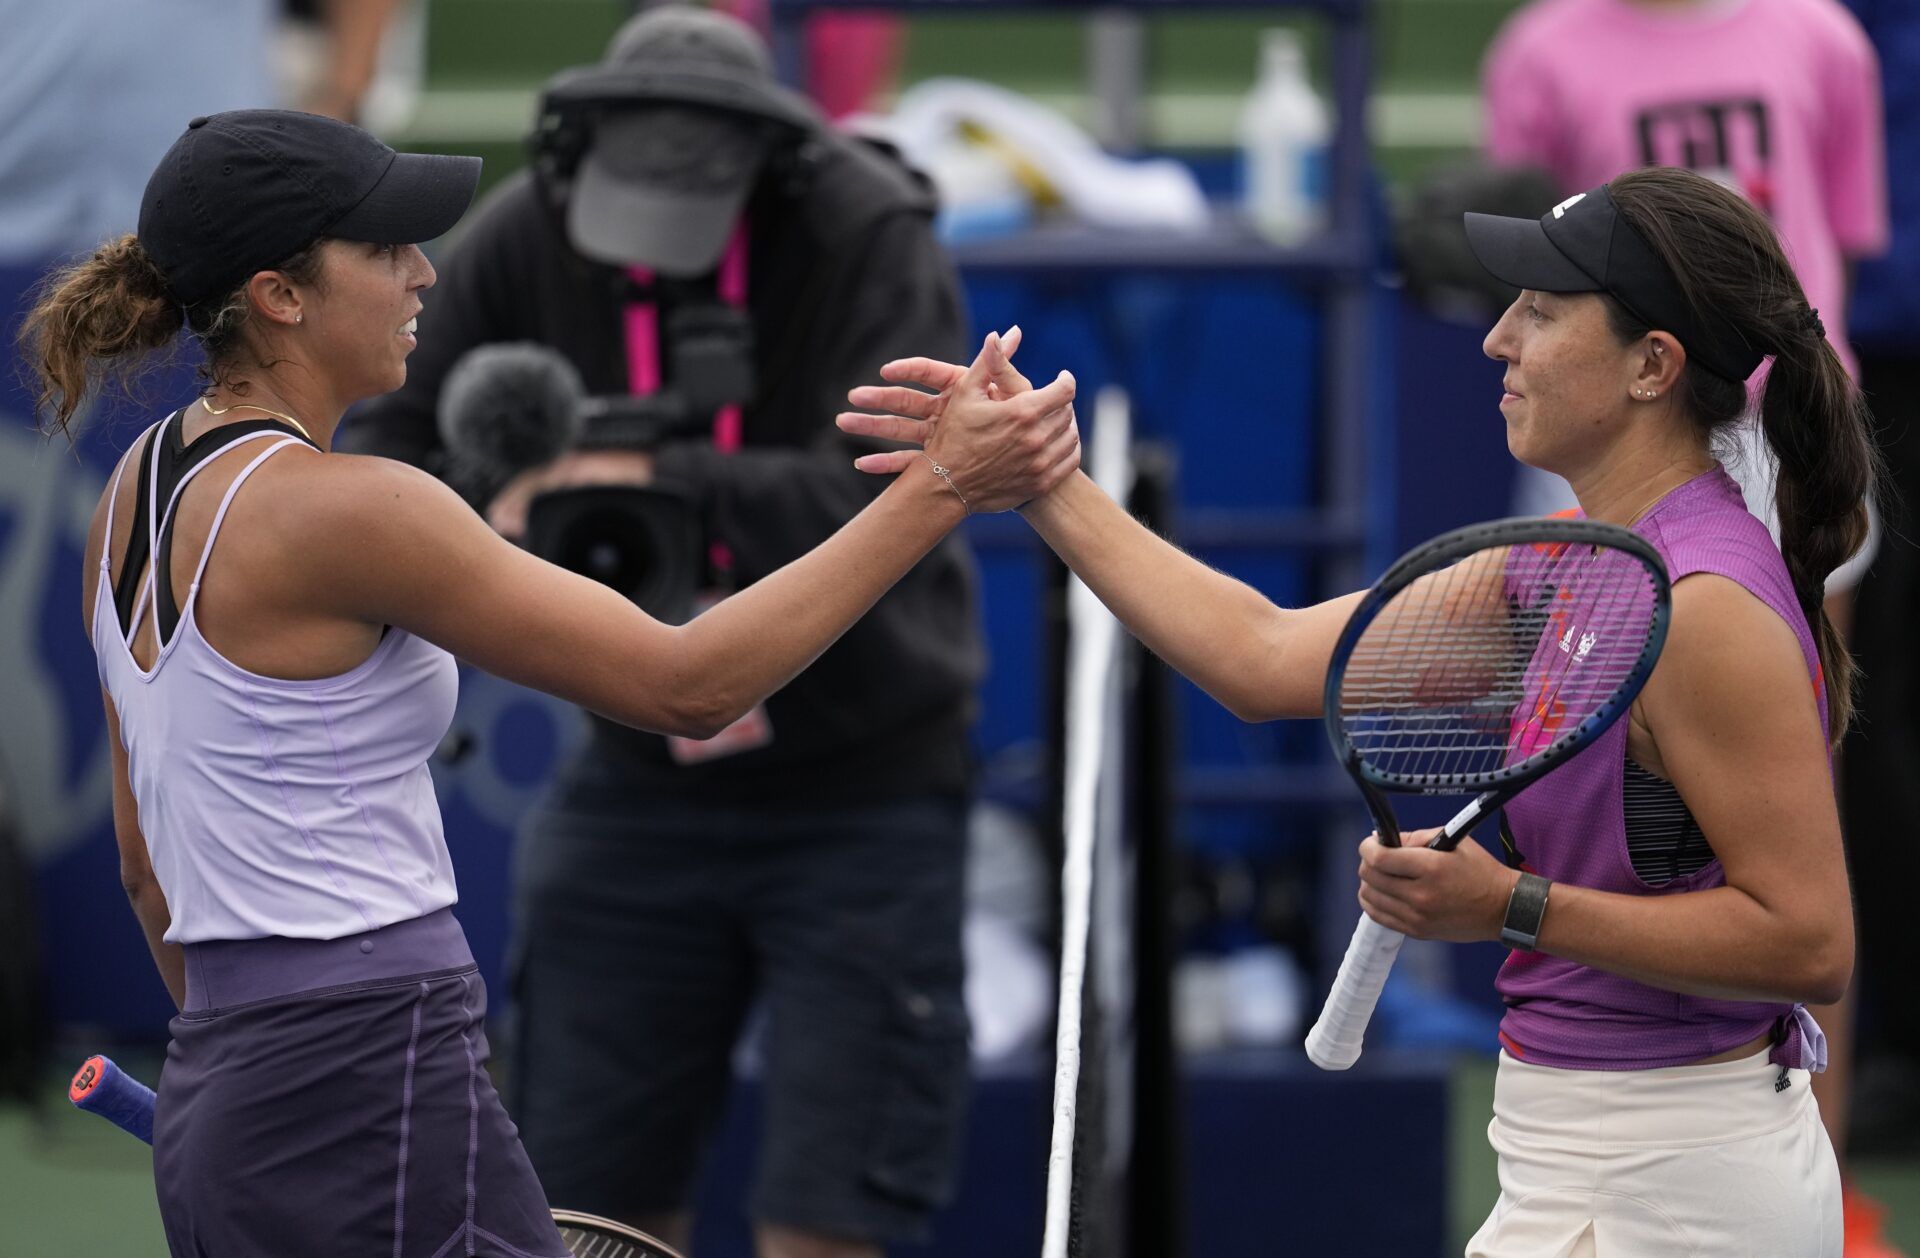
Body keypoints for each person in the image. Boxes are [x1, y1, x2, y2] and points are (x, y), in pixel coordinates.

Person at [20, 108, 1076, 1257]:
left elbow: (144, 865)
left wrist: (258, 1060)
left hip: (224, 1085)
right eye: (383, 250)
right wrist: (942, 483)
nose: (424, 271)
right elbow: (689, 683)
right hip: (375, 1068)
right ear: (279, 294)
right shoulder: (353, 509)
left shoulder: (132, 489)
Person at [847, 166, 1867, 1255]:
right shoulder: (1566, 562)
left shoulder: (1706, 610)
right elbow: (1260, 655)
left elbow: (1808, 942)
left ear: (1651, 366)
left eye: (1541, 311)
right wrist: (1046, 479)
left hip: (1676, 1188)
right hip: (1583, 1155)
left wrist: (1510, 905)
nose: (1496, 340)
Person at [339, 10, 987, 1256]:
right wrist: (479, 511)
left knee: (831, 1212)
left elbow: (890, 499)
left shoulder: (863, 230)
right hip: (632, 781)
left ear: (772, 166)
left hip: (868, 784)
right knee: (582, 1211)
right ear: (579, 161)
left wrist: (635, 471)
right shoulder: (529, 227)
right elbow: (384, 453)